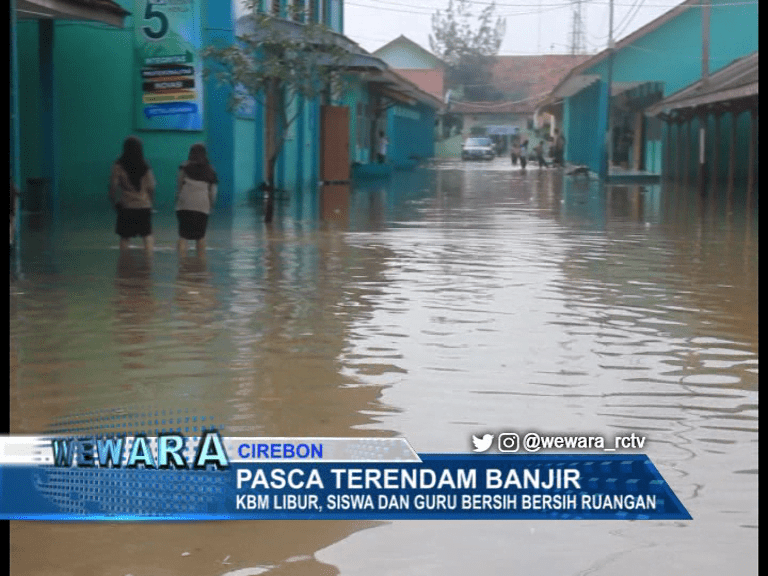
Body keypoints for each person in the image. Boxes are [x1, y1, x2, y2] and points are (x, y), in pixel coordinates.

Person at [109, 136, 155, 252]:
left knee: (125, 237)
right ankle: (148, 261)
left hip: (127, 206)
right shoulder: (145, 166)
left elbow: (113, 187)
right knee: (147, 236)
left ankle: (124, 262)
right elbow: (151, 187)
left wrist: (114, 202)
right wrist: (151, 203)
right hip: (144, 206)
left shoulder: (118, 166)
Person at [176, 142, 218, 256]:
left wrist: (180, 201)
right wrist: (210, 206)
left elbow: (179, 186)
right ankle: (200, 263)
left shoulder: (184, 167)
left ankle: (181, 263)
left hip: (184, 206)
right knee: (200, 237)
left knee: (183, 236)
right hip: (202, 207)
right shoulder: (210, 170)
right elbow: (213, 193)